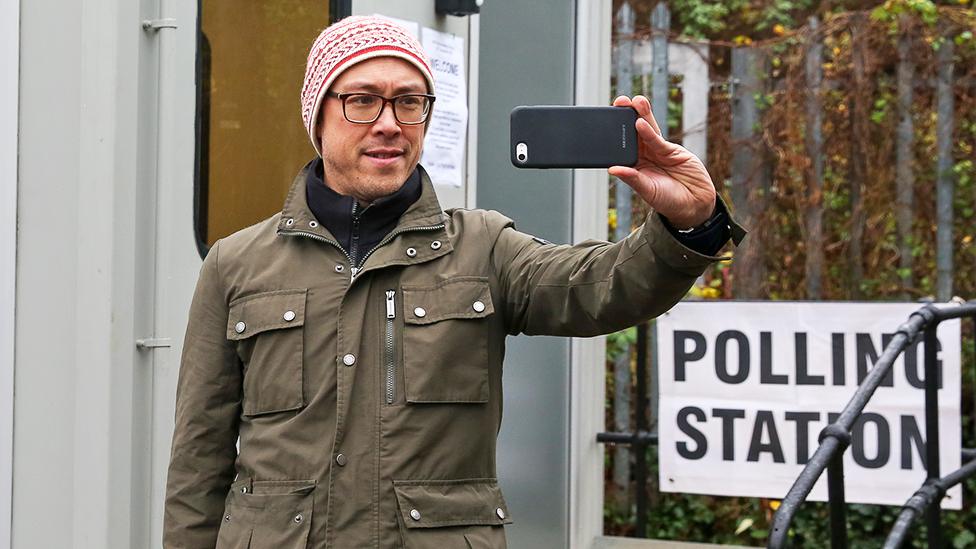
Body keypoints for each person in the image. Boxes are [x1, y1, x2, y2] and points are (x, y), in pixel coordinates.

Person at [163, 15, 744, 549]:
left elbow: (598, 290)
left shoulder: (482, 247)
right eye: (362, 101)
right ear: (317, 115)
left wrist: (686, 221)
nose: (389, 124)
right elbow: (199, 457)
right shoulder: (235, 264)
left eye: (409, 103)